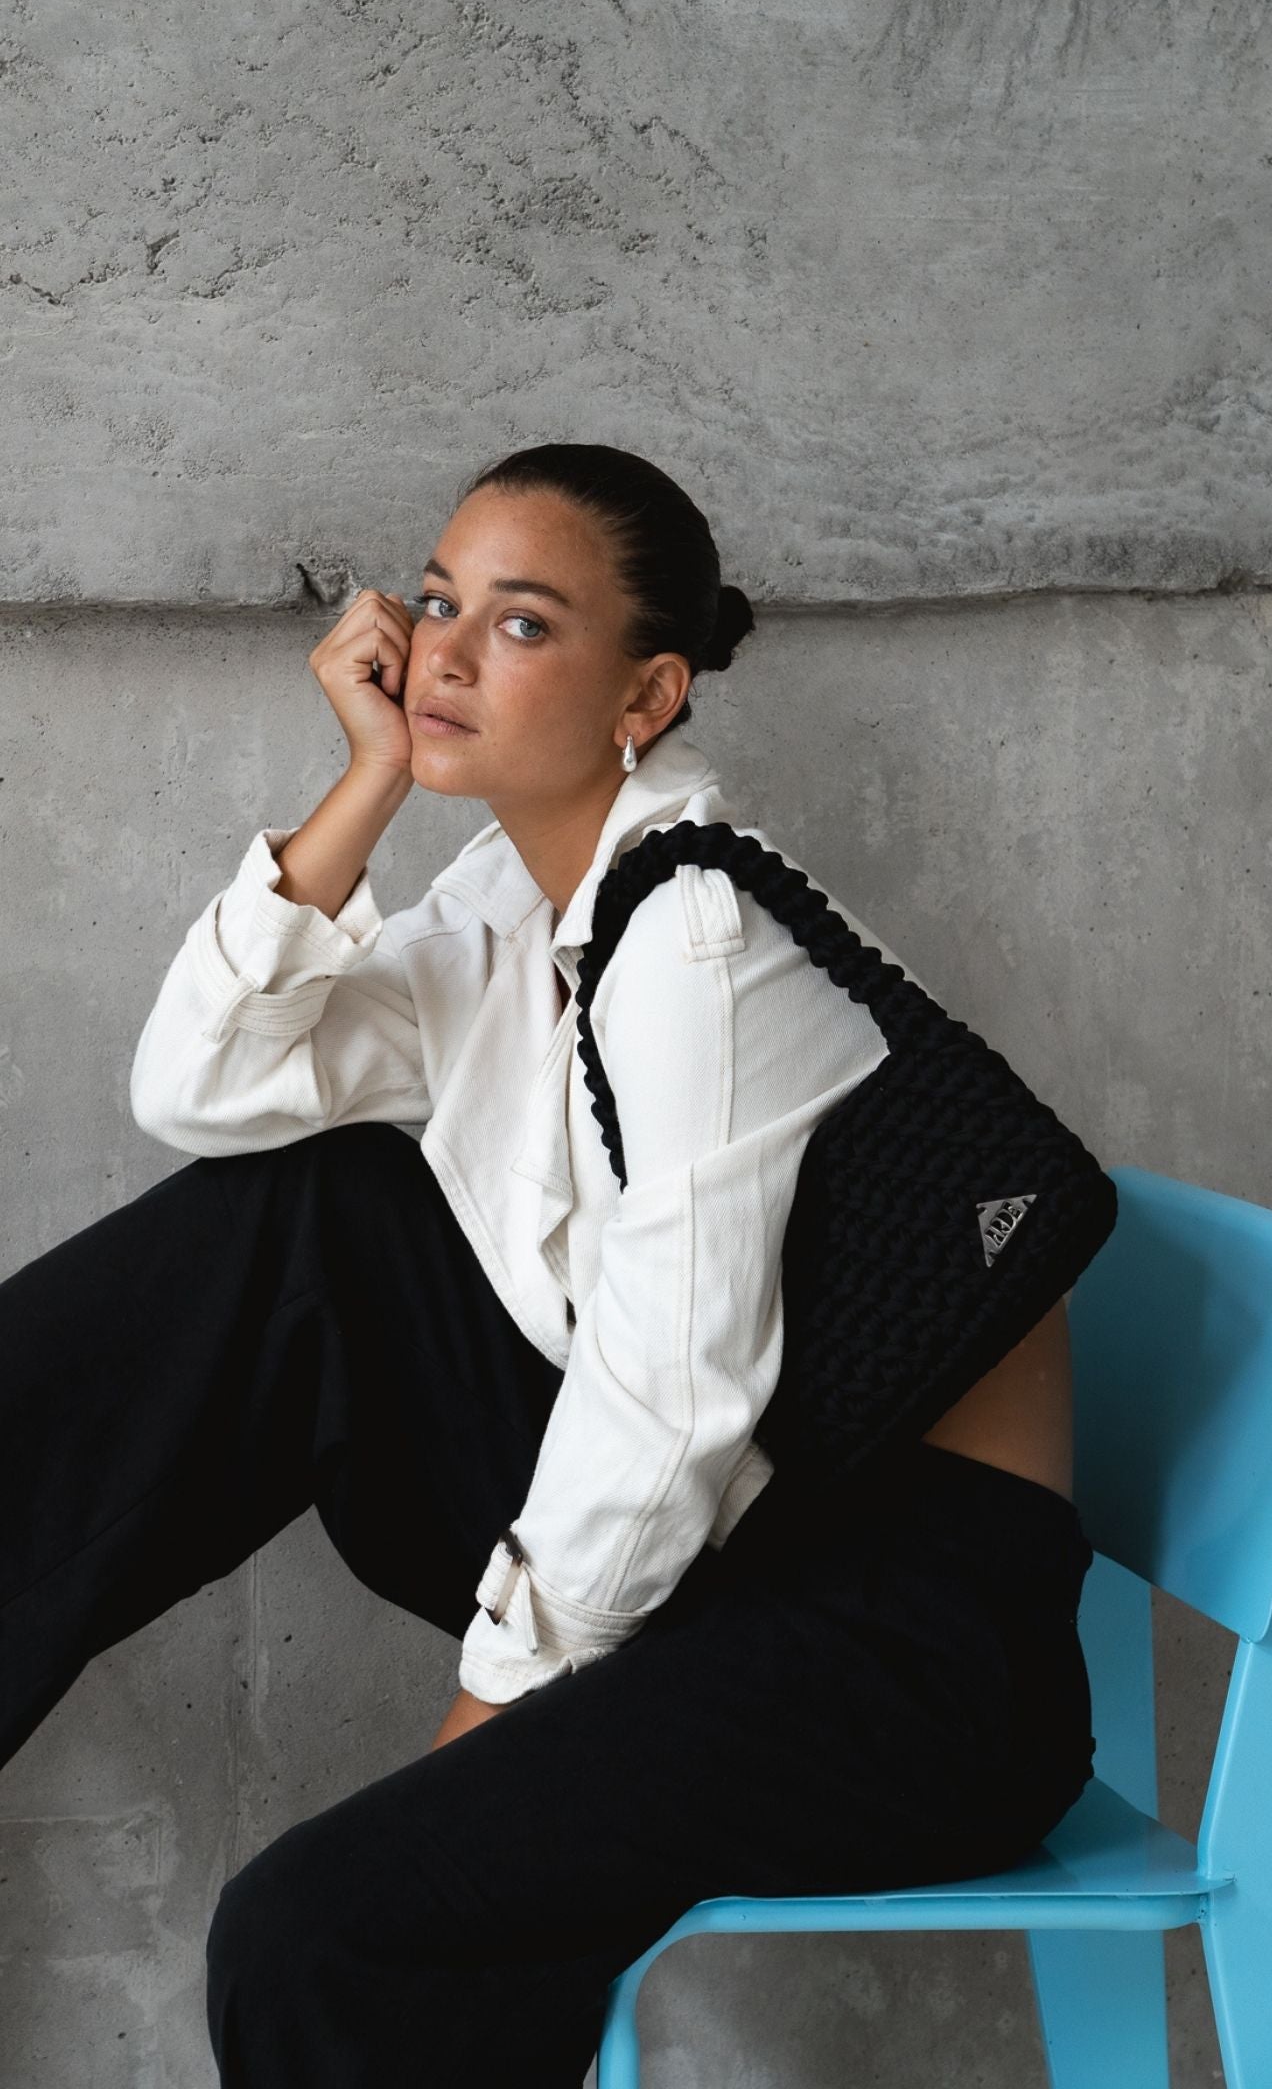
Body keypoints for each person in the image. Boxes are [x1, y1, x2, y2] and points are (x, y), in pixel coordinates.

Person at [1, 442, 1097, 2086]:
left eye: (521, 625)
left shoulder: (698, 939)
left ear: (647, 693)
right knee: (312, 1214)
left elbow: (670, 1405)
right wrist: (367, 783)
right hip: (743, 1534)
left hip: (903, 1652)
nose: (444, 653)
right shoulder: (513, 897)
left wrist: (492, 1717)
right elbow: (205, 1090)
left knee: (321, 1931)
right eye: (438, 603)